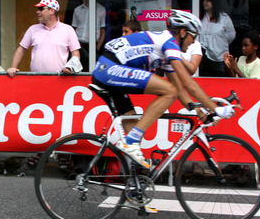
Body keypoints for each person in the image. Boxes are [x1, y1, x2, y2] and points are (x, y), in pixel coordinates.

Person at [91, 9, 235, 168]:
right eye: (193, 37)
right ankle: (131, 141)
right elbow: (188, 83)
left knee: (132, 124)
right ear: (182, 32)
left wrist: (198, 110)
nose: (193, 43)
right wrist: (215, 108)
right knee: (168, 92)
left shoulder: (165, 49)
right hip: (109, 69)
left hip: (108, 70)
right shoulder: (170, 43)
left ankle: (133, 182)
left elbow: (180, 88)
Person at [7, 0, 81, 78]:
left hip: (59, 79)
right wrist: (13, 67)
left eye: (41, 9)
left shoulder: (68, 29)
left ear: (52, 10)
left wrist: (70, 67)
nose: (37, 12)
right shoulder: (33, 29)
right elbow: (21, 49)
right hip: (36, 79)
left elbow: (75, 53)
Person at [199, 0, 236, 77]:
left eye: (207, 1)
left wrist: (221, 42)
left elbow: (231, 35)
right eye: (204, 0)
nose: (204, 3)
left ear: (213, 2)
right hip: (205, 58)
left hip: (220, 57)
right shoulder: (203, 17)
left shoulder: (224, 18)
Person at [71, 0, 106, 71]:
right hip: (80, 45)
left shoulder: (101, 9)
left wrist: (97, 48)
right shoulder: (77, 10)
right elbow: (73, 29)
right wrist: (75, 45)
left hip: (94, 45)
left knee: (94, 69)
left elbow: (102, 31)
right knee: (79, 69)